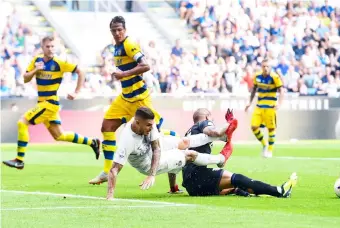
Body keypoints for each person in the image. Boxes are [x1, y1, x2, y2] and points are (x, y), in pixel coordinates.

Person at [2, 36, 100, 170]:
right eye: (47, 46)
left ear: (56, 47)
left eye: (52, 46)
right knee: (59, 136)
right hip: (43, 103)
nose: (50, 49)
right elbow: (25, 78)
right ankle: (92, 142)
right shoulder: (36, 61)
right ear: (42, 48)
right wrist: (36, 70)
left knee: (22, 122)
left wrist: (76, 92)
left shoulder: (59, 63)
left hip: (50, 103)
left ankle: (19, 160)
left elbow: (81, 71)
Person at [89, 16, 163, 185]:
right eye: (114, 30)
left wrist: (123, 74)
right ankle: (107, 171)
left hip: (139, 99)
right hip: (125, 97)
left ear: (125, 30)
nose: (117, 33)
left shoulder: (129, 44)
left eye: (119, 29)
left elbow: (145, 65)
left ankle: (168, 152)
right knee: (106, 127)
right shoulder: (116, 47)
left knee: (156, 133)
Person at [106, 107, 238, 200]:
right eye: (148, 125)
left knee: (184, 142)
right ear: (137, 122)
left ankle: (223, 136)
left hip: (155, 151)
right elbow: (114, 170)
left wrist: (172, 187)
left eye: (152, 125)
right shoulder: (127, 140)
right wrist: (110, 195)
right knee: (189, 154)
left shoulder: (148, 125)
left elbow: (157, 148)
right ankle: (220, 158)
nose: (152, 128)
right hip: (148, 164)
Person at [181, 108, 297, 198]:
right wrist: (230, 123)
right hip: (198, 177)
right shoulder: (204, 123)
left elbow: (224, 137)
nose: (212, 121)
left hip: (191, 187)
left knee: (234, 184)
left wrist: (173, 187)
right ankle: (279, 191)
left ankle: (237, 191)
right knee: (238, 179)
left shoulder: (189, 133)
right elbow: (215, 132)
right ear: (207, 117)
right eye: (212, 119)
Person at [245, 58, 285, 158]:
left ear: (270, 67)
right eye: (264, 66)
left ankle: (270, 151)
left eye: (267, 66)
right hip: (259, 106)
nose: (265, 68)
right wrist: (249, 103)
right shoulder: (257, 76)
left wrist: (279, 103)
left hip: (270, 107)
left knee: (271, 129)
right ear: (261, 67)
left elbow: (282, 90)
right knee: (254, 127)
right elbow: (254, 89)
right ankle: (264, 144)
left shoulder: (275, 77)